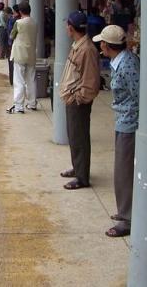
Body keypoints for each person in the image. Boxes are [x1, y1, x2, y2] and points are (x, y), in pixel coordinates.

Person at [94, 25, 139, 237]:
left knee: (124, 173)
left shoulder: (128, 65)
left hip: (130, 124)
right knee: (123, 171)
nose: (99, 45)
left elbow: (139, 96)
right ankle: (125, 211)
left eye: (101, 42)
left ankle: (127, 219)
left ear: (107, 45)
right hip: (123, 121)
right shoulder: (119, 61)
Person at [58, 11, 101, 189]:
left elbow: (91, 82)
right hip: (72, 100)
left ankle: (82, 177)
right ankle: (77, 167)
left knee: (80, 137)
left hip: (78, 102)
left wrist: (78, 99)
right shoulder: (79, 45)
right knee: (74, 136)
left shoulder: (87, 49)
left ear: (70, 28)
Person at [7, 1, 37, 114]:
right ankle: (32, 103)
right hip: (31, 54)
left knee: (19, 80)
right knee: (31, 80)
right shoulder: (35, 22)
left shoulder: (18, 23)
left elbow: (12, 35)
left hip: (20, 54)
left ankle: (19, 106)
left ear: (20, 12)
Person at [7, 4, 21, 85]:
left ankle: (12, 80)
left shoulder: (13, 20)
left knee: (12, 63)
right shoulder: (22, 19)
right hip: (20, 45)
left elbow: (10, 33)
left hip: (12, 44)